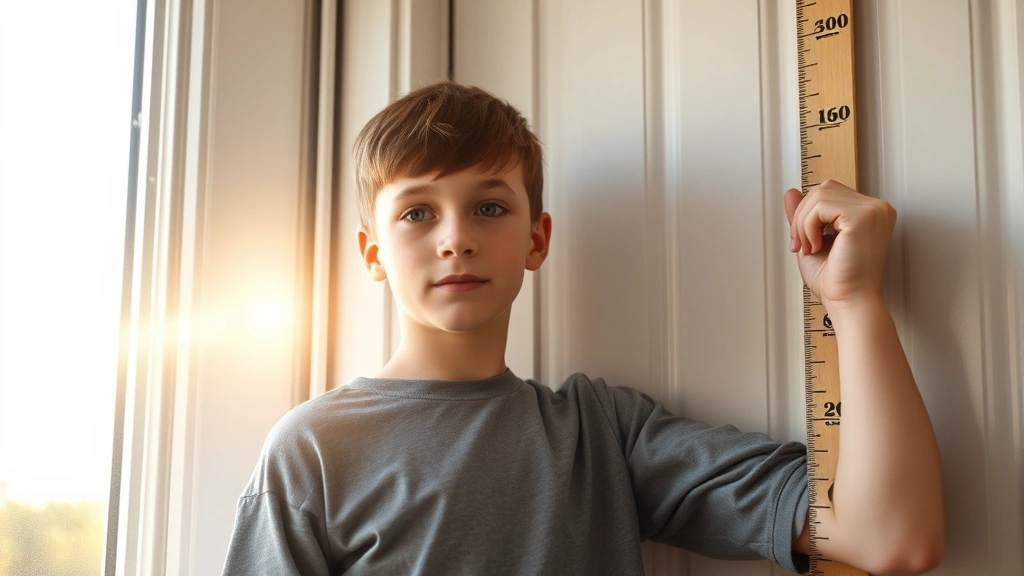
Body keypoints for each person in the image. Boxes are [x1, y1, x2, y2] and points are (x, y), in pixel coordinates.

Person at [222, 81, 944, 575]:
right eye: (417, 213)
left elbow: (892, 538)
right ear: (373, 254)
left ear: (536, 240)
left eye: (489, 207)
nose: (455, 239)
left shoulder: (602, 435)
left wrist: (854, 303)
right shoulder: (311, 451)